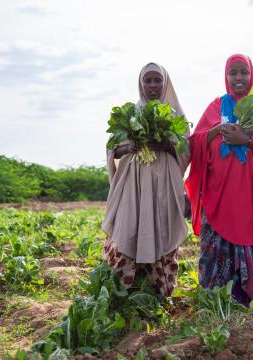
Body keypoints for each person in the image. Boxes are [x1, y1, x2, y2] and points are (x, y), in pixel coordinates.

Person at [185, 54, 253, 306]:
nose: (238, 78)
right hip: (218, 196)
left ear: (252, 75)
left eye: (243, 72)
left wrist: (249, 140)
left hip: (250, 198)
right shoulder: (216, 106)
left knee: (251, 245)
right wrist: (217, 130)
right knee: (214, 249)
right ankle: (214, 301)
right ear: (226, 76)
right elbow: (195, 143)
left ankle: (247, 300)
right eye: (233, 73)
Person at [102, 63, 189, 297]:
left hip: (163, 185)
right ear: (141, 83)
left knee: (161, 227)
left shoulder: (174, 114)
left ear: (165, 83)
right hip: (134, 185)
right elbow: (112, 150)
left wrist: (166, 145)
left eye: (157, 80)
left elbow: (186, 149)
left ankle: (158, 291)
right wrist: (129, 146)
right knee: (129, 227)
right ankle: (125, 290)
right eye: (148, 81)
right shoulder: (131, 113)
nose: (152, 85)